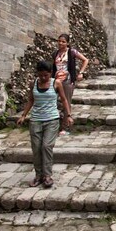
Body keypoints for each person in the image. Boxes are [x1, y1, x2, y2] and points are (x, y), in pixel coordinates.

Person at [17, 60, 72, 188]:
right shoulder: (34, 84)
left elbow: (64, 100)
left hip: (52, 120)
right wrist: (23, 115)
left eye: (45, 75)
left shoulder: (56, 83)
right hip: (36, 120)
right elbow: (30, 100)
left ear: (50, 73)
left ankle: (47, 175)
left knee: (46, 146)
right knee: (36, 148)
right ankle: (38, 175)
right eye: (40, 75)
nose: (43, 78)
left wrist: (68, 115)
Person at [51, 34, 89, 135]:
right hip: (56, 80)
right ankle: (53, 125)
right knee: (52, 100)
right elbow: (53, 67)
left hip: (67, 81)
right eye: (59, 41)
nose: (61, 43)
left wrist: (81, 72)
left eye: (63, 41)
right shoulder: (55, 53)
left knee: (66, 102)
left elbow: (85, 60)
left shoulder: (72, 52)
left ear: (67, 43)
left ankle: (64, 127)